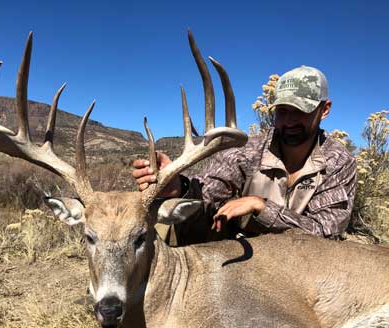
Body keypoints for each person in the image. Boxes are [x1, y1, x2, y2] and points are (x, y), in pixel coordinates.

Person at [133, 66, 357, 243]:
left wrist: (261, 206)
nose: (289, 121)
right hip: (244, 257)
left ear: (324, 109)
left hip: (301, 268)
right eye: (282, 111)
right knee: (180, 223)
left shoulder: (338, 162)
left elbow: (326, 234)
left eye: (300, 112)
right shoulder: (248, 149)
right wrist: (178, 187)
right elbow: (208, 192)